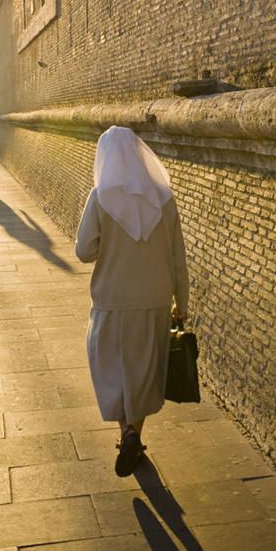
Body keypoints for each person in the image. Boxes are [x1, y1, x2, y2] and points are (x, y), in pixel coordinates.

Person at [75, 126, 189, 477]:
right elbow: (178, 259)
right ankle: (132, 436)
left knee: (115, 372)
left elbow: (83, 251)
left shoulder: (101, 196)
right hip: (154, 301)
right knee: (141, 373)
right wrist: (181, 304)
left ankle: (126, 434)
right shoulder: (164, 198)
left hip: (111, 301)